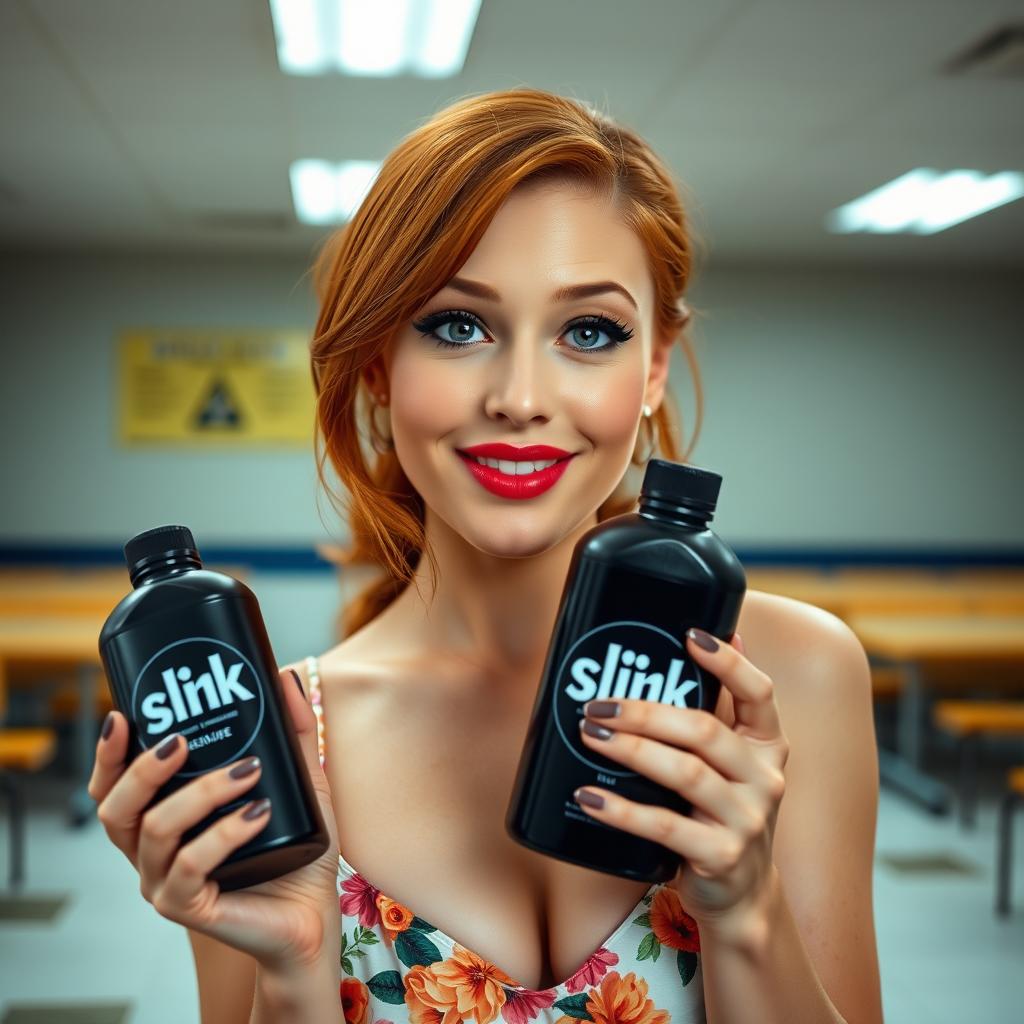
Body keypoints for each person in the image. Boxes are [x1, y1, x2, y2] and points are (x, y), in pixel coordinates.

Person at [89, 87, 883, 1023]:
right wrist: (296, 968)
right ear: (379, 364)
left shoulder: (794, 681)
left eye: (589, 332)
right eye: (457, 326)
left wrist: (747, 914)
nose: (519, 395)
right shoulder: (274, 747)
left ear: (653, 368)